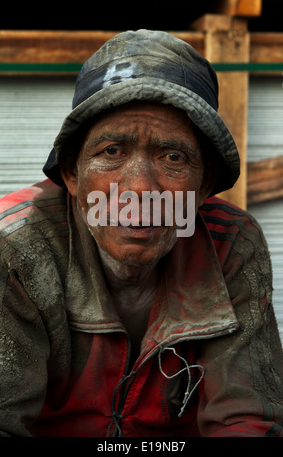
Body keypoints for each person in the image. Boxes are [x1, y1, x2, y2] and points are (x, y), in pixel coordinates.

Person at [0, 29, 283, 438]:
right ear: (71, 174)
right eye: (112, 151)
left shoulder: (230, 245)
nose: (140, 190)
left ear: (204, 187)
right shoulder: (18, 245)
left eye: (173, 157)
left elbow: (247, 420)